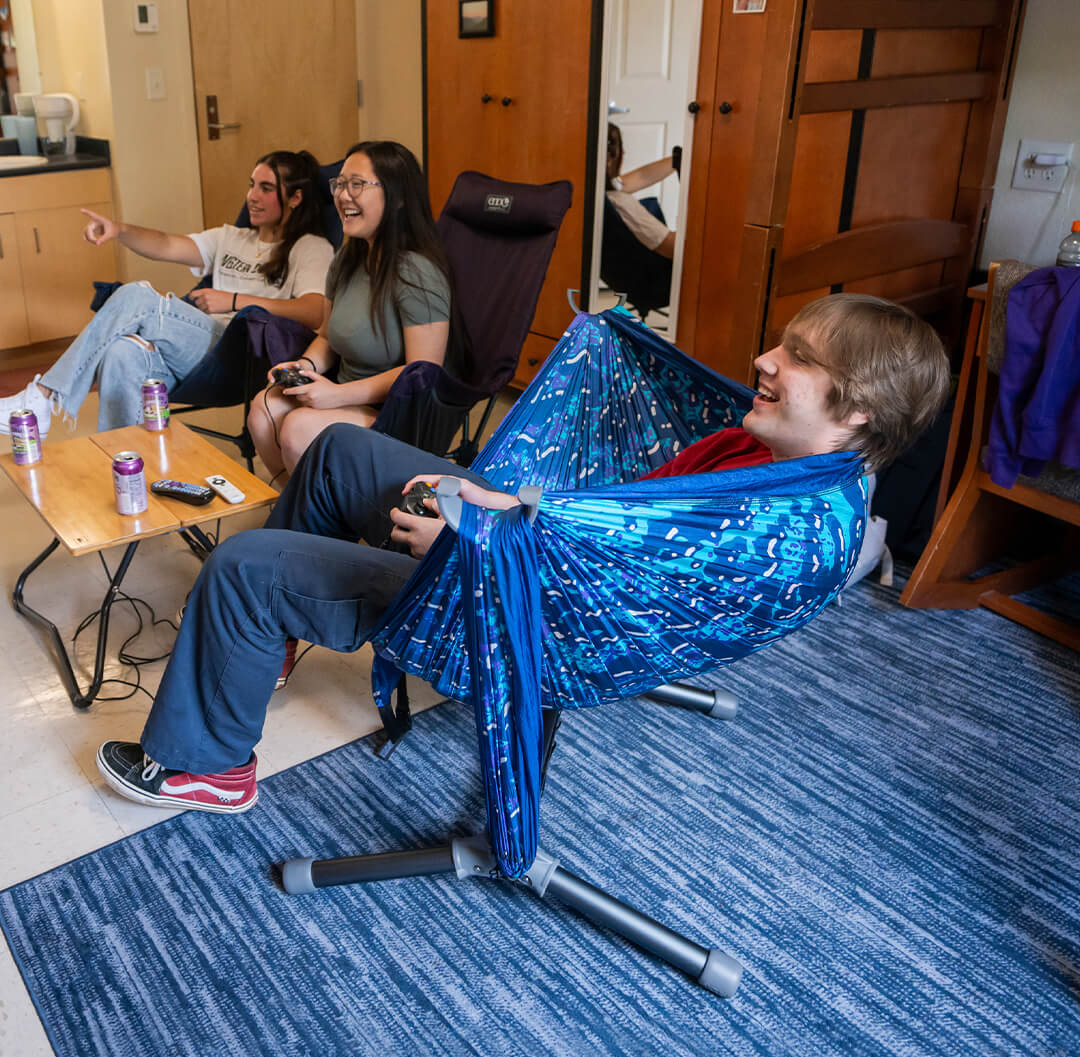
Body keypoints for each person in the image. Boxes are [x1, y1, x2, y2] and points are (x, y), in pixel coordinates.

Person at [94, 293, 951, 814]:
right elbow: (616, 528)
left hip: (523, 618)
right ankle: (264, 638)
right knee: (336, 453)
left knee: (245, 569)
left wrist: (468, 541)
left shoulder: (785, 530)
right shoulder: (775, 456)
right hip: (535, 549)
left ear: (861, 410)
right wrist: (496, 505)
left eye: (797, 359)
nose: (764, 361)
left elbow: (605, 610)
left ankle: (209, 770)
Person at [0, 151, 334, 437]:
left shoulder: (310, 248)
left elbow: (314, 310)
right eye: (251, 185)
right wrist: (119, 230)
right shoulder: (231, 238)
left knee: (136, 297)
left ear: (295, 198)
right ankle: (130, 466)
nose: (252, 196)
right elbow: (165, 243)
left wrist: (234, 301)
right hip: (196, 349)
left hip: (238, 357)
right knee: (121, 352)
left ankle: (42, 396)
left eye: (266, 188)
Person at [247, 140, 453, 483]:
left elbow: (423, 372)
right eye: (340, 184)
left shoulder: (417, 272)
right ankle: (302, 510)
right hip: (342, 392)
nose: (343, 196)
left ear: (398, 197)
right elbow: (328, 333)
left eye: (357, 184)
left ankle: (318, 519)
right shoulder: (348, 257)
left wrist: (337, 395)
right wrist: (306, 366)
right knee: (263, 408)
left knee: (298, 427)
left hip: (393, 412)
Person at [605, 123, 677, 260]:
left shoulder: (596, 191)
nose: (624, 153)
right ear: (609, 157)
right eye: (620, 147)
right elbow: (674, 248)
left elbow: (640, 176)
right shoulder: (619, 203)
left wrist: (679, 159)